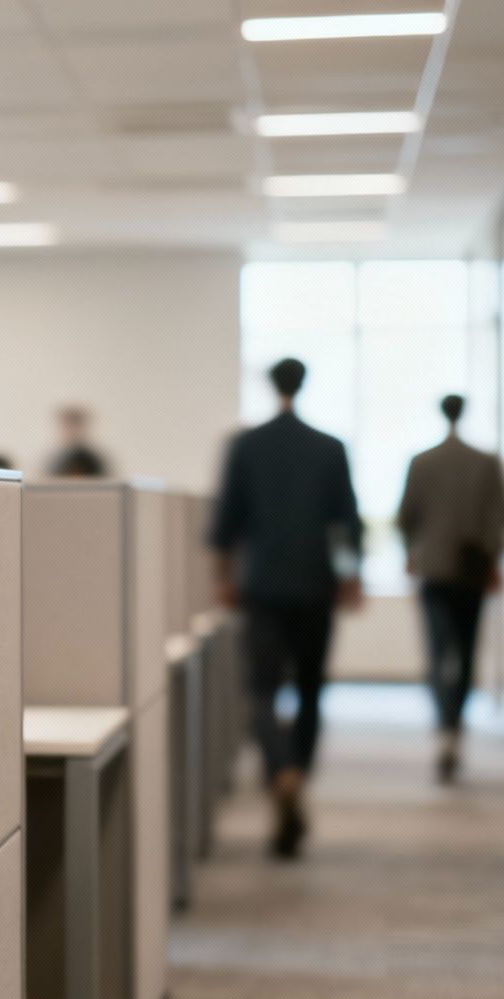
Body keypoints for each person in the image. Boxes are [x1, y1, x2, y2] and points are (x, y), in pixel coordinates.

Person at [209, 358, 363, 859]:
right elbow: (344, 523)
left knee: (261, 690)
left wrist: (224, 576)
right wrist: (348, 576)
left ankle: (280, 772)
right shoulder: (330, 447)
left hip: (263, 586)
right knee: (313, 687)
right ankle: (299, 771)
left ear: (271, 385)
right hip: (316, 585)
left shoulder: (246, 445)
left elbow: (227, 519)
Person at [396, 394, 504, 782]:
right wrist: (493, 555)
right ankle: (455, 724)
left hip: (434, 570)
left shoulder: (422, 462)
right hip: (472, 570)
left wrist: (412, 551)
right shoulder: (486, 462)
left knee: (436, 649)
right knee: (465, 651)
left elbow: (405, 517)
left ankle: (443, 723)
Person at [46, 404, 111, 478]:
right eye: (68, 426)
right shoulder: (55, 461)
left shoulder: (94, 461)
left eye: (74, 425)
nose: (72, 430)